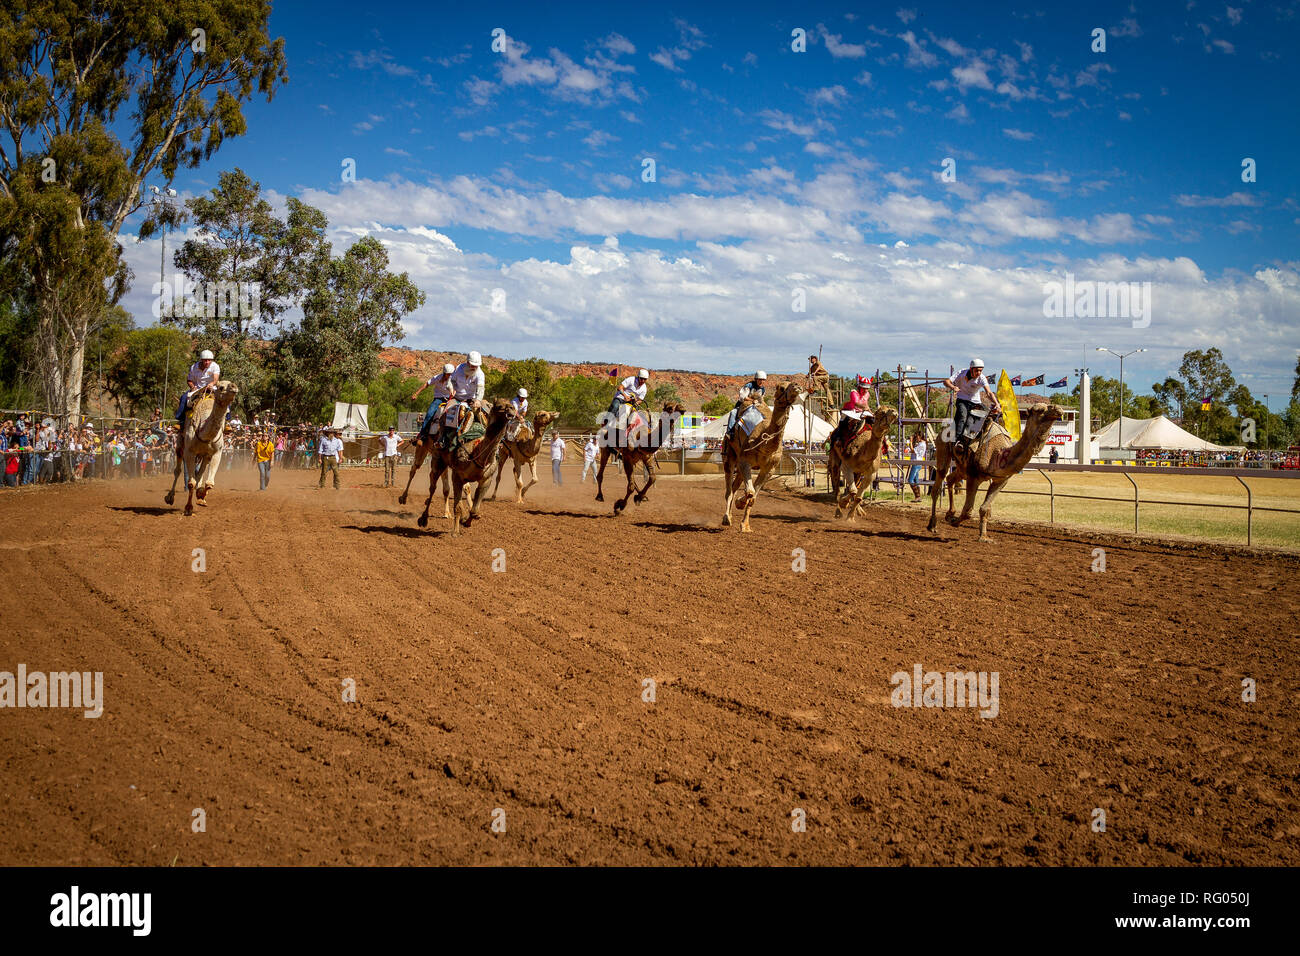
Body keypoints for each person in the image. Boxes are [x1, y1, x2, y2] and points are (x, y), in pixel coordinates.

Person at [943, 359, 1000, 455]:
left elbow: (989, 393)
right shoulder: (961, 373)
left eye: (980, 371)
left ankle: (977, 437)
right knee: (962, 416)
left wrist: (997, 404)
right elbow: (946, 381)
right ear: (971, 369)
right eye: (976, 370)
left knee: (987, 414)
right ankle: (957, 441)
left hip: (975, 402)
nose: (979, 373)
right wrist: (953, 387)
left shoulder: (982, 378)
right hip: (962, 400)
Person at [175, 349, 221, 457]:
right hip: (197, 389)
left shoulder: (215, 366)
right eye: (205, 360)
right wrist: (192, 386)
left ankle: (227, 422)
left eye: (209, 360)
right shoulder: (194, 367)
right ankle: (180, 422)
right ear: (201, 360)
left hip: (211, 388)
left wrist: (212, 383)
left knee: (224, 399)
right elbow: (189, 380)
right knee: (184, 398)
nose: (207, 362)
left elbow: (215, 378)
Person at [440, 351, 486, 449]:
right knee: (444, 413)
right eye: (473, 365)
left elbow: (481, 389)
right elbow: (450, 381)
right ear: (468, 362)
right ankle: (442, 438)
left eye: (476, 365)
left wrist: (478, 400)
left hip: (472, 400)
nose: (474, 367)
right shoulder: (459, 369)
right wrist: (451, 388)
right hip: (457, 398)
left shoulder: (480, 374)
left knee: (486, 413)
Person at [410, 363, 456, 443]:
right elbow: (426, 384)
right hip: (439, 399)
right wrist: (416, 393)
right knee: (429, 414)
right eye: (448, 374)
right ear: (444, 373)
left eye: (451, 374)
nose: (449, 376)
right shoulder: (437, 378)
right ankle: (422, 435)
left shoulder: (454, 379)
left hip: (451, 399)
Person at [830, 375, 874, 447]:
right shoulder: (853, 392)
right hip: (848, 410)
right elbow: (856, 403)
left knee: (872, 420)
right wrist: (865, 407)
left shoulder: (867, 394)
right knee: (844, 420)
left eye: (867, 388)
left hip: (860, 411)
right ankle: (838, 437)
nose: (866, 390)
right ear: (860, 387)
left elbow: (866, 404)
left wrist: (871, 413)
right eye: (864, 388)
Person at [725, 371, 767, 437]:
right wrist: (752, 400)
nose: (761, 381)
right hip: (742, 405)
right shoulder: (749, 386)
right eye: (760, 379)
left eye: (763, 380)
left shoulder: (763, 389)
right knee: (733, 413)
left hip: (755, 406)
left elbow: (761, 399)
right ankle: (730, 432)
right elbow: (742, 397)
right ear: (756, 379)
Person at [908, 433, 929, 502]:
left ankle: (917, 496)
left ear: (920, 437)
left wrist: (910, 441)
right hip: (916, 463)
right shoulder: (921, 444)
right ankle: (918, 497)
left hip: (916, 463)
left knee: (910, 480)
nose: (916, 438)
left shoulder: (922, 444)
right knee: (916, 480)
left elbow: (912, 450)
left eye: (917, 437)